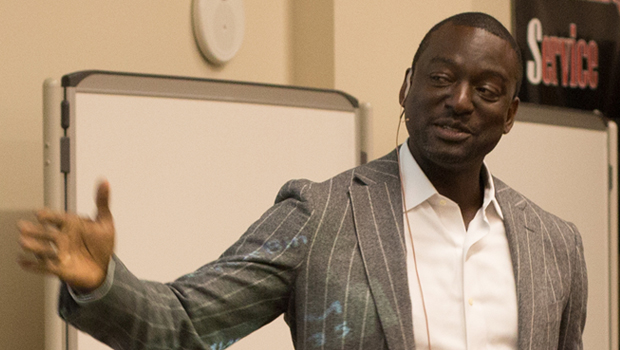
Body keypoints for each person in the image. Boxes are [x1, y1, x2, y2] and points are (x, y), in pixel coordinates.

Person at [18, 12, 587, 350]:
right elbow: (185, 325)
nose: (459, 101)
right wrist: (102, 282)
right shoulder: (320, 216)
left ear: (510, 115)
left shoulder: (555, 245)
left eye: (486, 91)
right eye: (441, 78)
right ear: (407, 88)